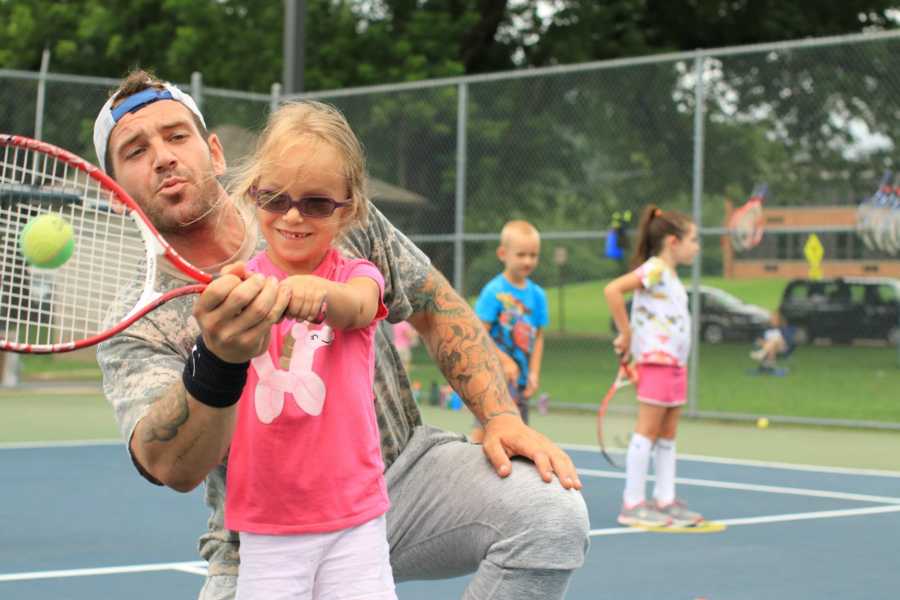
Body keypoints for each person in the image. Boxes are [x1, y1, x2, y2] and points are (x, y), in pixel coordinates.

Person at [92, 70, 589, 600]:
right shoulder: (137, 317)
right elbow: (171, 465)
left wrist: (501, 415)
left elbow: (432, 302)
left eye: (175, 135)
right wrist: (216, 361)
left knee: (550, 514)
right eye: (136, 150)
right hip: (261, 533)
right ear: (118, 192)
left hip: (401, 477)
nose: (164, 156)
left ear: (214, 152)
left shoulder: (316, 203)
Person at [223, 102, 394, 598]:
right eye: (275, 199)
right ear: (254, 196)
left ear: (350, 209)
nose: (293, 216)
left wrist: (318, 295)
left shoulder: (356, 276)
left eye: (316, 203)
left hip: (353, 518)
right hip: (268, 521)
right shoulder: (243, 284)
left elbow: (358, 307)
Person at [603, 204, 703, 528]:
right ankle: (632, 504)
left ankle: (664, 499)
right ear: (674, 242)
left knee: (668, 434)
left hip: (676, 364)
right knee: (647, 432)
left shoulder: (670, 276)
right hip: (657, 363)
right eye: (694, 240)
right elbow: (613, 290)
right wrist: (626, 332)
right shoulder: (656, 268)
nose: (697, 246)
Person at [470, 220, 548, 444]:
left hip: (520, 383)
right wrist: (503, 360)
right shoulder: (493, 291)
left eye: (533, 255)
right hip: (493, 380)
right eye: (521, 254)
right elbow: (478, 334)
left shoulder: (538, 295)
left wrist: (533, 373)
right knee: (483, 435)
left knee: (517, 438)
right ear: (503, 254)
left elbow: (539, 336)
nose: (528, 261)